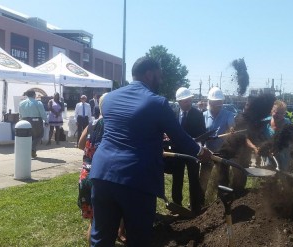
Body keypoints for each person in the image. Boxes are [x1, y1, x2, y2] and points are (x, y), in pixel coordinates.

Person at [89, 56, 211, 246]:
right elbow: (180, 138)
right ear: (149, 74)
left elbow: (128, 129)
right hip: (136, 179)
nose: (161, 81)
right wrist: (201, 152)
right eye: (159, 76)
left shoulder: (110, 98)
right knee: (139, 239)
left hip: (101, 174)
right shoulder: (157, 102)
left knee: (101, 238)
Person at [77, 93, 127, 245]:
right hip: (105, 176)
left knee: (94, 222)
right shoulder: (114, 125)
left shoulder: (92, 124)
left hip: (86, 176)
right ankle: (120, 232)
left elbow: (80, 144)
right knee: (119, 211)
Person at [164, 87, 206, 215]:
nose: (189, 103)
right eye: (186, 101)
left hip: (192, 153)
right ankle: (177, 205)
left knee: (194, 179)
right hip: (177, 152)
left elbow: (203, 133)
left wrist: (198, 145)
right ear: (179, 102)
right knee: (177, 179)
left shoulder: (198, 115)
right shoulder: (173, 113)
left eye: (190, 100)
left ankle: (195, 206)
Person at [199, 87, 235, 198]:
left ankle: (221, 201)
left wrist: (232, 129)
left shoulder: (228, 114)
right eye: (214, 104)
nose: (216, 107)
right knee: (203, 178)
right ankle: (199, 200)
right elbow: (200, 133)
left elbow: (231, 125)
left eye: (219, 104)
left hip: (222, 153)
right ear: (209, 102)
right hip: (207, 152)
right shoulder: (204, 115)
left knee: (223, 178)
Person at [259, 100, 292, 171]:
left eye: (282, 113)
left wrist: (278, 148)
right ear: (271, 112)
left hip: (283, 156)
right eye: (276, 113)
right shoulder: (265, 123)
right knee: (268, 175)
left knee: (283, 176)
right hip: (269, 155)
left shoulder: (288, 123)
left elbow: (290, 140)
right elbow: (260, 138)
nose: (279, 115)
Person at [18, 89, 48, 158]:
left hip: (24, 121)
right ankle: (32, 149)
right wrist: (46, 121)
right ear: (34, 95)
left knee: (28, 137)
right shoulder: (38, 103)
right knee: (39, 136)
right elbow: (42, 113)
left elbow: (20, 114)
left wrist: (21, 121)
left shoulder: (21, 103)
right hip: (36, 121)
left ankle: (29, 151)